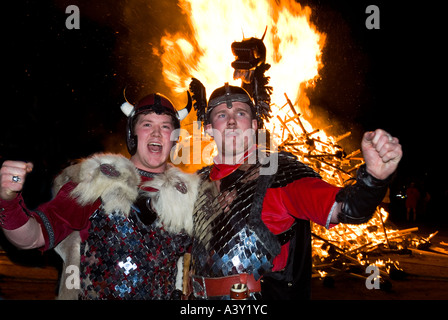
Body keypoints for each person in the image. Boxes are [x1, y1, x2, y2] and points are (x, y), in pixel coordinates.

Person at [186, 83, 403, 299]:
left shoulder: (278, 173)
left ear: (254, 125)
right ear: (209, 129)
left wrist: (374, 179)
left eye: (240, 113)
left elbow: (346, 208)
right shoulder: (195, 184)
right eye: (222, 115)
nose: (232, 121)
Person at [0, 92, 195, 299]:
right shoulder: (96, 182)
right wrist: (8, 202)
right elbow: (33, 237)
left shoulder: (188, 196)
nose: (156, 133)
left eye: (165, 126)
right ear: (132, 134)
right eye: (147, 124)